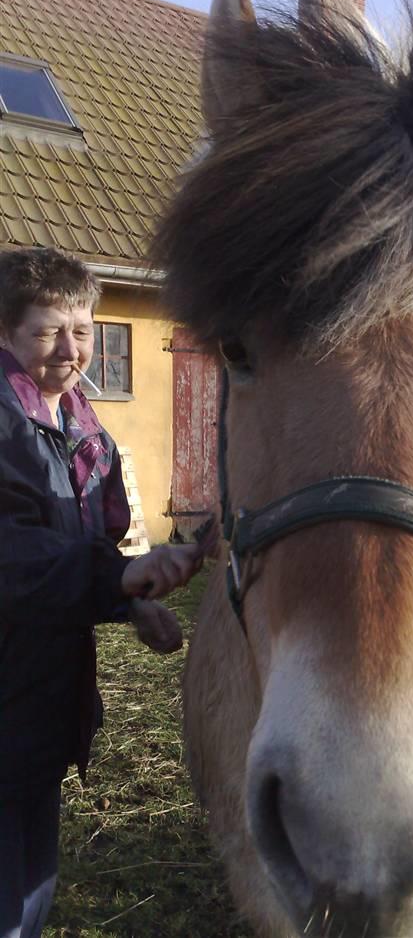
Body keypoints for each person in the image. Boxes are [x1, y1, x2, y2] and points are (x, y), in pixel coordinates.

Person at [0, 247, 203, 938]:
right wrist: (112, 578)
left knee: (31, 891)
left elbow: (91, 554)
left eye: (83, 329)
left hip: (44, 697)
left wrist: (129, 600)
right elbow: (13, 555)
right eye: (46, 330)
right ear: (5, 332)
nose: (70, 348)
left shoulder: (87, 433)